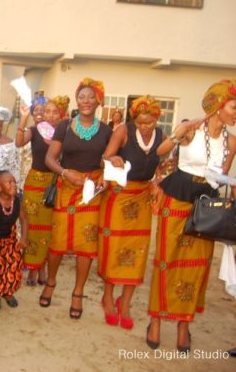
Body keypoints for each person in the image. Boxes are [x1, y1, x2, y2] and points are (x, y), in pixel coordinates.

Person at [146, 79, 236, 353]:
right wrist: (178, 133)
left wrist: (231, 184)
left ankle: (184, 325)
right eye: (234, 106)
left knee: (197, 266)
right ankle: (156, 321)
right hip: (176, 200)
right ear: (219, 105)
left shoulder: (232, 141)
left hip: (205, 206)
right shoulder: (191, 131)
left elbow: (220, 176)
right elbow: (158, 153)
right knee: (166, 261)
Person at [40, 77, 112, 319]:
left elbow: (110, 160)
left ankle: (78, 293)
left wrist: (105, 172)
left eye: (91, 97)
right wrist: (65, 173)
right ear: (77, 100)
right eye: (82, 96)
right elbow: (50, 159)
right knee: (58, 242)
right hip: (66, 187)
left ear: (98, 100)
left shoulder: (106, 130)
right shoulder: (64, 126)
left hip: (91, 192)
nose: (86, 101)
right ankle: (50, 281)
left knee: (86, 246)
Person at [98, 95, 166, 330]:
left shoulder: (162, 137)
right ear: (134, 120)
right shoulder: (123, 131)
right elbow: (104, 157)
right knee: (114, 248)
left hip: (142, 196)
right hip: (119, 195)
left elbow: (161, 165)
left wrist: (159, 178)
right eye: (140, 123)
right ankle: (107, 297)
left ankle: (124, 302)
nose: (145, 127)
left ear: (157, 119)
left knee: (137, 250)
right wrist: (113, 158)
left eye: (149, 123)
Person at [16, 96, 68, 286]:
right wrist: (23, 118)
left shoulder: (65, 132)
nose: (50, 115)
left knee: (50, 229)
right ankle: (32, 268)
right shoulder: (36, 130)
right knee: (32, 226)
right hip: (34, 183)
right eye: (47, 111)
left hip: (55, 184)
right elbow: (19, 142)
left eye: (55, 112)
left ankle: (43, 266)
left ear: (61, 114)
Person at [0, 171, 27, 308]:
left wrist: (24, 238)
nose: (14, 185)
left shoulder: (17, 202)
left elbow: (24, 220)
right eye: (9, 182)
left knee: (12, 267)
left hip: (9, 240)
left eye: (14, 181)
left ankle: (7, 292)